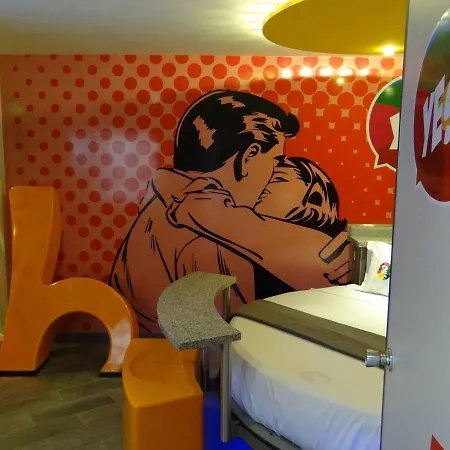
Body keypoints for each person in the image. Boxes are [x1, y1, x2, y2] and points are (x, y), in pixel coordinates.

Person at [109, 89, 301, 334]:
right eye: (275, 162)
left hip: (153, 347)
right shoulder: (214, 239)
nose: (274, 176)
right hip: (189, 356)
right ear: (248, 156)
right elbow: (235, 336)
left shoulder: (158, 206)